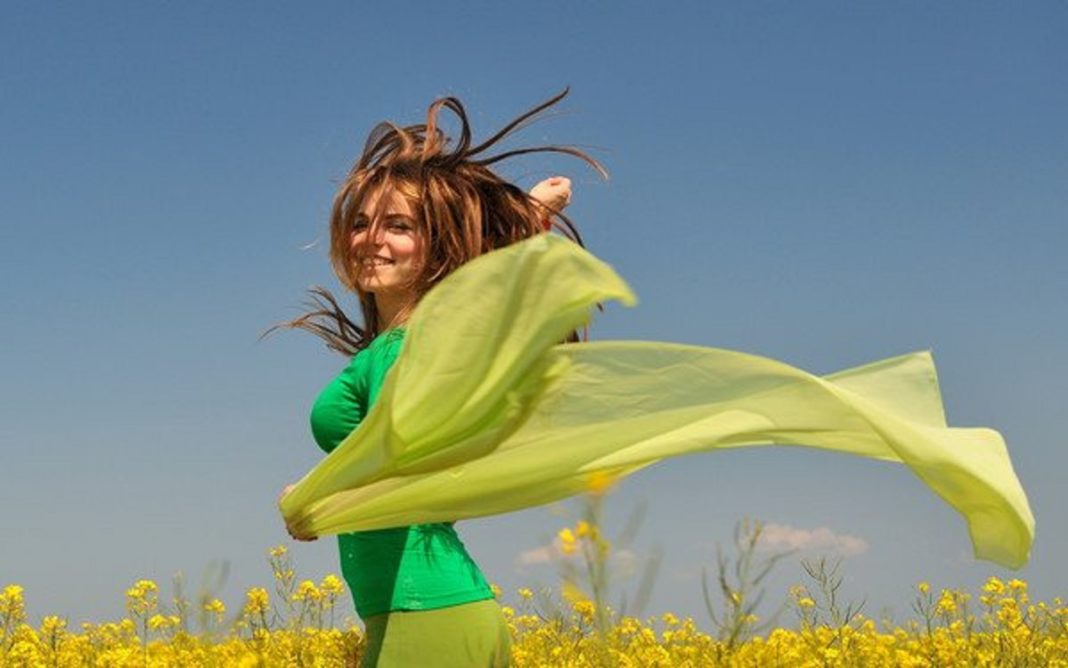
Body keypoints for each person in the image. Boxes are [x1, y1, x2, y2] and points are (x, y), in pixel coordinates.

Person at [277, 90, 601, 667]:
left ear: (437, 244)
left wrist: (313, 499)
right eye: (360, 223)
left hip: (426, 613)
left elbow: (402, 458)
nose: (370, 239)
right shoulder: (390, 349)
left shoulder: (417, 349)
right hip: (410, 612)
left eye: (397, 225)